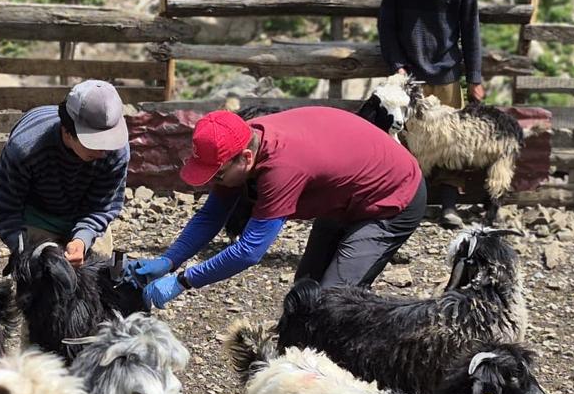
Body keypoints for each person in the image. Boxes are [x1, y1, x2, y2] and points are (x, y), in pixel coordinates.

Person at [123, 107, 425, 309]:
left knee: (332, 302)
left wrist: (182, 281)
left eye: (217, 175)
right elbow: (212, 215)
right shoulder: (242, 142)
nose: (215, 183)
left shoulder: (281, 169)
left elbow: (249, 251)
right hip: (345, 191)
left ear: (245, 158)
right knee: (305, 291)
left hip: (393, 196)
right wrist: (169, 260)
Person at [378, 0, 484, 226]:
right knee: (407, 140)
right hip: (409, 77)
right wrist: (396, 64)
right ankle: (411, 203)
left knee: (452, 142)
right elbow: (386, 22)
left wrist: (474, 77)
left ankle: (448, 205)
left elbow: (470, 28)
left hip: (447, 72)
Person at [0, 79, 129, 269]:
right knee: (43, 273)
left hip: (84, 211)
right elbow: (6, 212)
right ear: (67, 131)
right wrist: (25, 252)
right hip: (38, 214)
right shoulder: (24, 150)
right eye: (95, 143)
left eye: (109, 140)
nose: (104, 151)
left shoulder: (117, 151)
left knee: (96, 271)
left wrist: (82, 239)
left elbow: (101, 207)